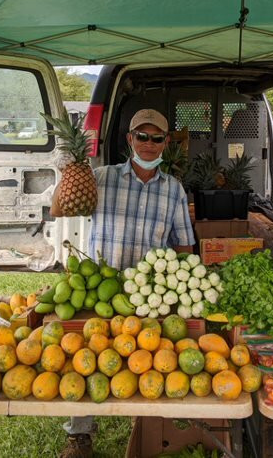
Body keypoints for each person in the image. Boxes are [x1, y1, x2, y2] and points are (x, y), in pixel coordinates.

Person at [51, 108, 195, 457]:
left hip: (148, 295)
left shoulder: (173, 190)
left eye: (156, 138)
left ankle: (146, 424)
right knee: (84, 358)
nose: (148, 144)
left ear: (165, 143)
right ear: (130, 139)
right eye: (141, 136)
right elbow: (59, 209)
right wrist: (69, 173)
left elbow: (184, 245)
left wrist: (179, 283)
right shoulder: (100, 177)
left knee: (145, 357)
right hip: (101, 286)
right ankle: (80, 433)